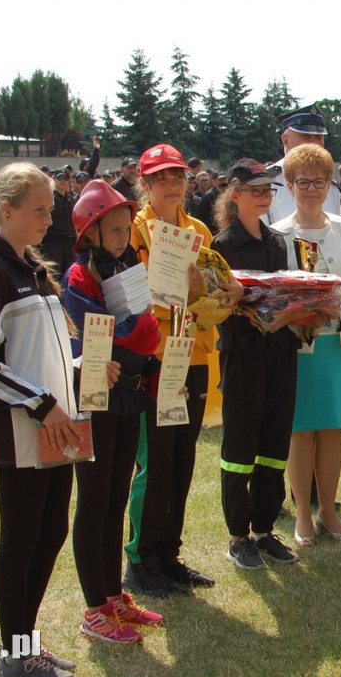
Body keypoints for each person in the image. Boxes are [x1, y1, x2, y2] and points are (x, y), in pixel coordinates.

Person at [0, 162, 81, 677]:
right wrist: (41, 403)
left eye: (51, 209)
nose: (49, 219)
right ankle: (13, 655)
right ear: (6, 210)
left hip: (58, 429)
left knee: (50, 534)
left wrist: (83, 367)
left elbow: (40, 353)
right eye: (39, 209)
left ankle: (25, 645)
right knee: (23, 538)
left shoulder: (31, 268)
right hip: (23, 433)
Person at [125, 143, 241, 596]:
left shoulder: (197, 230)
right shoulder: (138, 230)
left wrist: (220, 293)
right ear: (145, 184)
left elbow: (209, 287)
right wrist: (180, 290)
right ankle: (140, 559)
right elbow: (135, 296)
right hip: (157, 357)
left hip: (192, 353)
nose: (171, 185)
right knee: (154, 461)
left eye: (177, 177)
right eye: (160, 179)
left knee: (182, 460)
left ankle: (169, 554)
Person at [64, 180, 165, 645]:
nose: (123, 238)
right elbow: (114, 332)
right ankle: (93, 609)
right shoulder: (79, 276)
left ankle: (112, 596)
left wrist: (148, 352)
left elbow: (145, 335)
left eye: (127, 229)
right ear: (90, 232)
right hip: (96, 398)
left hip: (128, 394)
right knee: (96, 501)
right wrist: (139, 333)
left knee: (117, 498)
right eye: (114, 230)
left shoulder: (129, 266)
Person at [271, 144, 341, 546]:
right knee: (300, 431)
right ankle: (301, 514)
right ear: (290, 184)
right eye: (303, 182)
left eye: (319, 181)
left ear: (329, 184)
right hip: (299, 349)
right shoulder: (278, 234)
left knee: (332, 430)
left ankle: (328, 510)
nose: (311, 189)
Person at [212, 159, 302, 568]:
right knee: (240, 446)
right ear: (236, 195)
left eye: (269, 191)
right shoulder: (222, 245)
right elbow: (215, 307)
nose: (265, 197)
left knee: (274, 441)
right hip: (244, 354)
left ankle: (264, 529)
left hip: (281, 352)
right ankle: (238, 536)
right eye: (256, 191)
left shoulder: (278, 241)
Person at [264, 104, 341, 225]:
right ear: (285, 140)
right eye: (305, 136)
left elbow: (338, 232)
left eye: (318, 137)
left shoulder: (331, 186)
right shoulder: (266, 183)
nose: (313, 143)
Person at [40, 170, 77, 277]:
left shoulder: (70, 199)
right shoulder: (50, 200)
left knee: (69, 275)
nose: (63, 181)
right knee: (54, 276)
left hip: (69, 245)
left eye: (66, 178)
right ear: (54, 179)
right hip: (53, 245)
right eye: (60, 178)